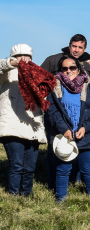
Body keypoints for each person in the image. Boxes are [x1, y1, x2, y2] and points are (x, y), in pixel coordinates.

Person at [47, 56, 90, 202]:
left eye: (72, 67)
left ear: (78, 69)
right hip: (63, 135)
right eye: (64, 68)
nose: (68, 71)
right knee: (63, 169)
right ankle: (60, 199)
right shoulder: (54, 85)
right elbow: (52, 111)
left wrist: (85, 128)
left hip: (85, 133)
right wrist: (64, 129)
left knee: (87, 168)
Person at [0, 44, 48, 197]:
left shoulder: (36, 75)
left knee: (30, 166)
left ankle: (26, 194)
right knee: (17, 164)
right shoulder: (7, 75)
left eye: (27, 56)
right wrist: (11, 63)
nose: (23, 59)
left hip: (32, 127)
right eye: (19, 56)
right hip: (12, 126)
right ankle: (14, 196)